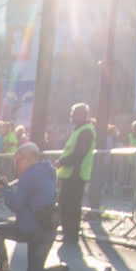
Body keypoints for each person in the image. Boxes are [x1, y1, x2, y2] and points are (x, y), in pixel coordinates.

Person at [0, 142, 68, 271]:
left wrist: (4, 189)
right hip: (48, 230)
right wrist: (8, 188)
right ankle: (59, 269)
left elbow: (16, 204)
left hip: (30, 229)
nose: (16, 165)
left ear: (29, 158)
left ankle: (4, 270)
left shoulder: (29, 175)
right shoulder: (49, 173)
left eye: (18, 161)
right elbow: (31, 198)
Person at [56, 103, 96, 248]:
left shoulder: (86, 131)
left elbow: (79, 153)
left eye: (73, 114)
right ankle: (67, 232)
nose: (71, 117)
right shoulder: (79, 130)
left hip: (76, 174)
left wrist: (63, 161)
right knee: (64, 204)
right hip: (69, 174)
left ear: (82, 115)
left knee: (71, 206)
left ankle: (71, 235)